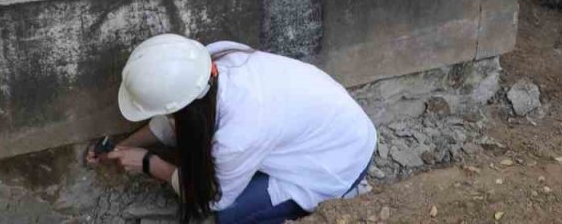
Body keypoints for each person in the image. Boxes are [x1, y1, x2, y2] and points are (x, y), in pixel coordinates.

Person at [88, 33, 377, 224]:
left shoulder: (238, 135)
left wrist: (150, 163)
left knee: (227, 215)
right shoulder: (210, 61)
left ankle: (345, 193)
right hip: (330, 129)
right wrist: (126, 144)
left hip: (339, 162)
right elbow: (174, 117)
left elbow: (213, 198)